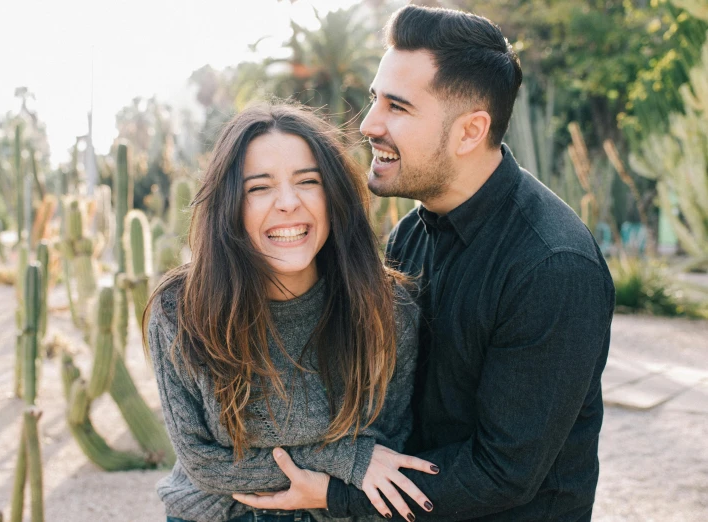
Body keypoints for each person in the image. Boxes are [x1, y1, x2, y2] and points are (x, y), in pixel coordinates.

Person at [233, 6, 615, 521]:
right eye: (375, 99)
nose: (368, 124)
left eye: (397, 106)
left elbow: (503, 472)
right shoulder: (413, 232)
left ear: (469, 131)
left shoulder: (552, 266)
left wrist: (334, 495)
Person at [143, 103, 438, 522]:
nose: (287, 203)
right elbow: (203, 463)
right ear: (230, 205)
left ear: (332, 195)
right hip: (218, 514)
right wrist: (346, 459)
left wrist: (336, 480)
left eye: (308, 181)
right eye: (259, 187)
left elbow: (388, 449)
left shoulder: (386, 308)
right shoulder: (180, 310)